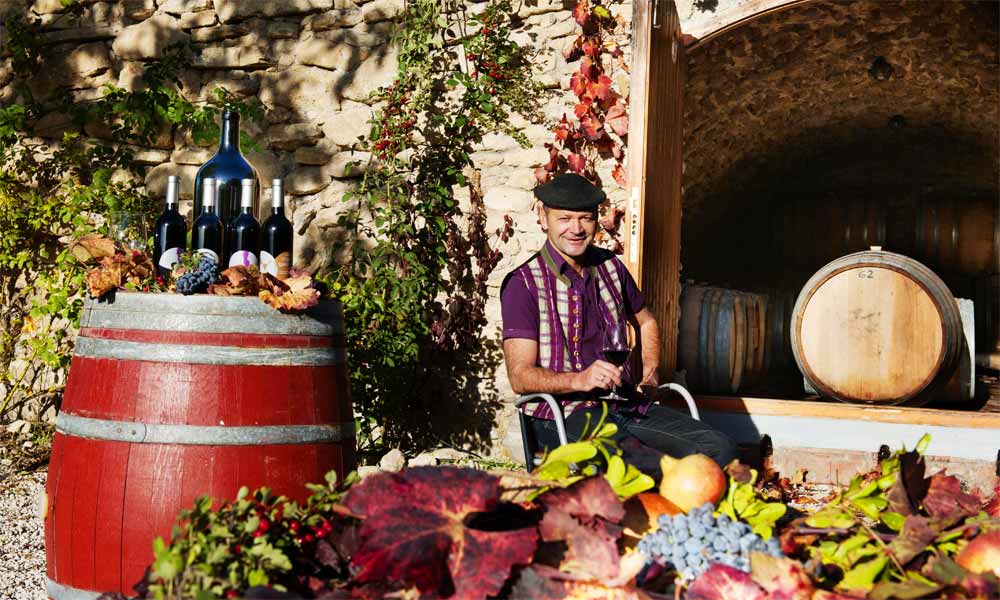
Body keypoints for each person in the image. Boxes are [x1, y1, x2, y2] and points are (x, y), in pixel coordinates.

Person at [500, 173, 737, 479]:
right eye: (565, 218)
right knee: (649, 468)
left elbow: (646, 321)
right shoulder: (523, 285)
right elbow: (520, 377)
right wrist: (578, 380)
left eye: (585, 218)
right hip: (564, 415)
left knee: (720, 449)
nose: (576, 228)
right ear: (543, 217)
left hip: (624, 405)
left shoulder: (610, 267)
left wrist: (651, 372)